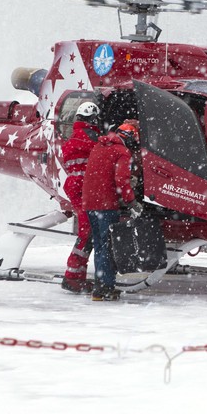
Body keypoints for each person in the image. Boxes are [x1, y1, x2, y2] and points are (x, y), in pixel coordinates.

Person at [81, 120, 142, 301]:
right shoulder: (122, 152)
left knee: (100, 245)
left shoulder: (100, 146)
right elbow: (122, 181)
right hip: (106, 205)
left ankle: (100, 287)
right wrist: (132, 202)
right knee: (107, 247)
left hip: (90, 204)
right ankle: (105, 288)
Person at [60, 101, 101, 293]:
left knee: (88, 231)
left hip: (75, 186)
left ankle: (77, 275)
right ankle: (72, 277)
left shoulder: (74, 136)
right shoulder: (92, 137)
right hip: (85, 187)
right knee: (88, 232)